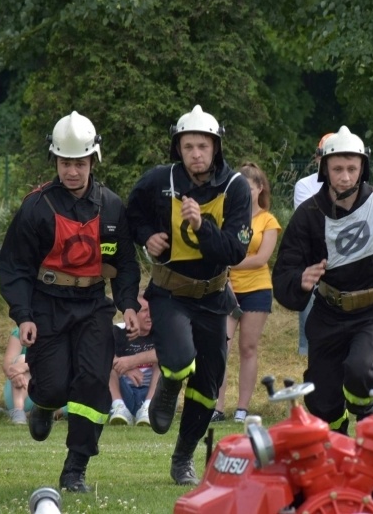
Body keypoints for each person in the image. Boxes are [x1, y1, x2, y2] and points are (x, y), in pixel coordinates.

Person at [0, 111, 141, 493]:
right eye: (65, 163)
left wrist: (128, 303)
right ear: (55, 161)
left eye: (80, 163)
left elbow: (126, 263)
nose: (72, 171)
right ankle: (43, 405)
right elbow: (14, 268)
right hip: (46, 306)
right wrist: (23, 315)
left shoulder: (111, 206)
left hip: (93, 305)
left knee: (93, 381)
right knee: (53, 387)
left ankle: (76, 468)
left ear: (93, 160)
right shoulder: (36, 207)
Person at [272, 126, 373, 435]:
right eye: (337, 169)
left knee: (359, 371)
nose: (345, 177)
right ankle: (338, 436)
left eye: (351, 168)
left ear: (363, 168)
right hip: (328, 313)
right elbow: (284, 269)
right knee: (321, 399)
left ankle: (365, 411)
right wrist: (300, 280)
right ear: (324, 169)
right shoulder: (308, 214)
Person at [126, 105, 252, 485]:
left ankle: (183, 458)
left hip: (214, 297)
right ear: (177, 148)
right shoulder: (157, 179)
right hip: (169, 293)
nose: (196, 154)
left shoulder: (236, 187)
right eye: (188, 146)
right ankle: (168, 383)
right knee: (181, 359)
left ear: (216, 147)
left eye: (203, 146)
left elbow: (235, 251)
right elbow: (130, 215)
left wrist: (201, 226)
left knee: (208, 388)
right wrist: (146, 235)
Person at [213, 163, 281, 423]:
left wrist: (229, 262)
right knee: (221, 346)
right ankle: (217, 407)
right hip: (226, 288)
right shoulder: (225, 217)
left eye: (249, 188)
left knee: (248, 348)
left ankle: (242, 408)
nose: (244, 192)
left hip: (257, 290)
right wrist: (225, 271)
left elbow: (261, 258)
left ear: (260, 189)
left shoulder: (268, 220)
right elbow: (217, 249)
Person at [292, 133, 333, 356]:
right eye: (321, 154)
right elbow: (308, 219)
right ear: (317, 157)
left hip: (344, 250)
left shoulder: (358, 184)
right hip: (313, 250)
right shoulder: (304, 184)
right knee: (309, 297)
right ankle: (306, 347)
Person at [109, 294, 159, 426]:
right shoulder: (118, 331)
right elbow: (99, 354)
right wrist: (125, 369)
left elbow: (169, 353)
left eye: (152, 310)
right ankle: (119, 408)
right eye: (144, 311)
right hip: (124, 393)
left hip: (152, 393)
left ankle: (148, 409)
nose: (149, 315)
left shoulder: (161, 332)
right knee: (106, 364)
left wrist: (131, 362)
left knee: (164, 363)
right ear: (132, 314)